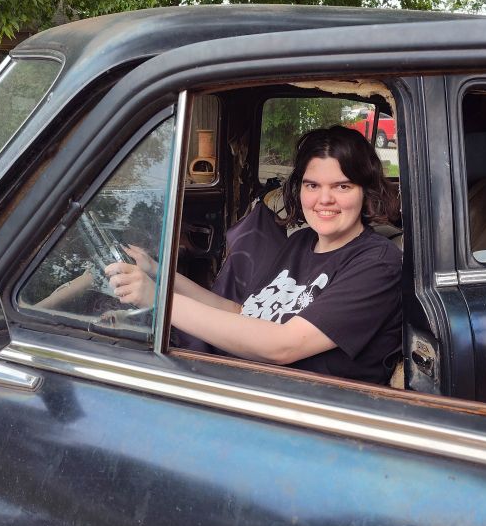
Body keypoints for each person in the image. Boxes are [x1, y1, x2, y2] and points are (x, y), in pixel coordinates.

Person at [106, 126, 403, 384]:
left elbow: (282, 346)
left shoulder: (377, 264)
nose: (324, 199)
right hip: (239, 381)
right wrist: (159, 273)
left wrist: (159, 300)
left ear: (365, 191)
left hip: (294, 411)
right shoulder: (301, 242)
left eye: (342, 186)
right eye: (312, 185)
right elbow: (243, 312)